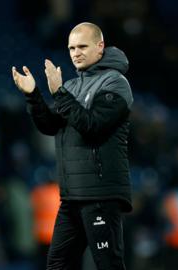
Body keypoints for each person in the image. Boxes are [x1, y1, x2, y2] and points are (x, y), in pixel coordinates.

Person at [12, 22, 133, 269]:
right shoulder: (71, 86)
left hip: (100, 194)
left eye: (82, 46)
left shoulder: (115, 83)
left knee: (108, 264)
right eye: (71, 48)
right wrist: (33, 95)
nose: (75, 53)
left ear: (100, 47)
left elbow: (92, 125)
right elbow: (50, 126)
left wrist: (59, 93)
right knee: (57, 264)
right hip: (72, 196)